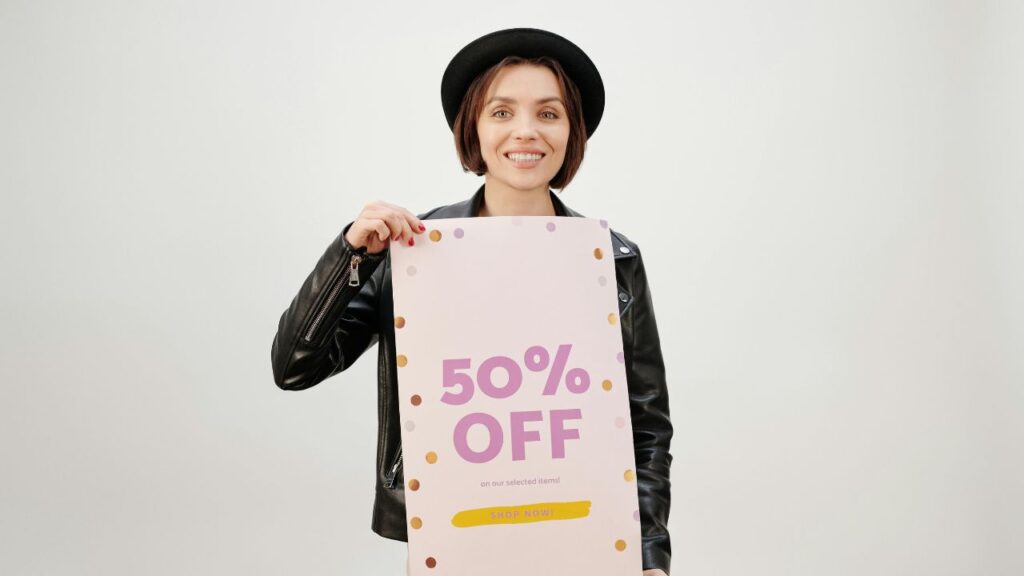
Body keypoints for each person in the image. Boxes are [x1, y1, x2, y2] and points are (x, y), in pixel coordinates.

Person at [271, 28, 673, 576]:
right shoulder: (415, 251)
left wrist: (650, 554)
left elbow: (646, 424)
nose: (526, 131)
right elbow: (295, 367)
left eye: (549, 114)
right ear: (474, 129)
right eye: (502, 112)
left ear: (571, 131)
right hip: (459, 538)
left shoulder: (611, 258)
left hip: (583, 536)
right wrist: (351, 255)